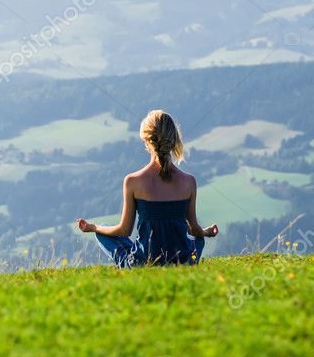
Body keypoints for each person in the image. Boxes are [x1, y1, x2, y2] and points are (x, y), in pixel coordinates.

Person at [77, 109, 218, 267]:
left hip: (144, 263)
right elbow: (194, 230)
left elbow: (124, 231)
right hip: (182, 262)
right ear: (174, 140)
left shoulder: (132, 181)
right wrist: (205, 233)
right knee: (198, 241)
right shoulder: (189, 181)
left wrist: (94, 227)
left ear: (146, 141)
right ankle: (185, 263)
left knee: (103, 230)